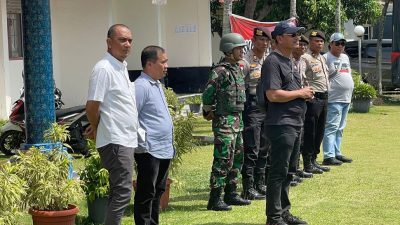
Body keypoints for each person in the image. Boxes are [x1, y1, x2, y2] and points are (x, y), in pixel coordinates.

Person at [86, 24, 137, 225]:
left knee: (119, 190)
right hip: (115, 138)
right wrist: (98, 127)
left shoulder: (120, 67)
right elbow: (92, 106)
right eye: (122, 40)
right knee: (123, 191)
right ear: (109, 42)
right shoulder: (104, 68)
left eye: (130, 40)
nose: (127, 44)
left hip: (125, 137)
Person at [262, 21, 312, 225]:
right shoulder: (272, 62)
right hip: (281, 123)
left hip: (294, 122)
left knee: (289, 171)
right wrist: (300, 93)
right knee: (278, 172)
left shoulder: (289, 60)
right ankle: (273, 218)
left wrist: (303, 94)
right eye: (292, 35)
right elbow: (273, 95)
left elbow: (286, 92)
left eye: (298, 35)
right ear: (279, 38)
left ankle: (284, 213)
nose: (297, 38)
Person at [203, 32, 251, 211]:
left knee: (237, 158)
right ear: (229, 50)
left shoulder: (237, 69)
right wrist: (208, 110)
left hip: (237, 121)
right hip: (224, 122)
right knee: (223, 159)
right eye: (239, 48)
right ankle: (214, 199)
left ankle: (231, 194)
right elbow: (208, 93)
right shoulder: (220, 71)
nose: (242, 51)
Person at [134, 45, 174, 225]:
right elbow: (131, 116)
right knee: (146, 193)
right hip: (149, 149)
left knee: (158, 191)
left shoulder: (157, 84)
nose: (166, 65)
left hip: (164, 148)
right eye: (163, 62)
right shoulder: (140, 86)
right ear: (149, 64)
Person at [241, 27, 271, 200]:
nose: (264, 43)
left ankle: (260, 183)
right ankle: (248, 187)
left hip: (267, 106)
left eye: (267, 40)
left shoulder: (269, 59)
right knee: (252, 147)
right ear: (253, 40)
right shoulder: (245, 61)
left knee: (264, 147)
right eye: (261, 40)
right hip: (251, 105)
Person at [300, 30, 331, 174]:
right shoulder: (305, 58)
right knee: (310, 131)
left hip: (324, 98)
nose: (319, 43)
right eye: (316, 41)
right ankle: (307, 162)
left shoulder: (322, 58)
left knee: (320, 131)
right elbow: (300, 78)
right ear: (310, 42)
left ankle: (314, 160)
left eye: (321, 41)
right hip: (313, 99)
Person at [322, 33, 354, 165]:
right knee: (331, 127)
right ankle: (328, 156)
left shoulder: (345, 57)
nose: (340, 46)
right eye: (337, 43)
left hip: (346, 98)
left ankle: (337, 153)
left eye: (342, 43)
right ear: (330, 44)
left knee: (340, 127)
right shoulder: (325, 57)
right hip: (334, 98)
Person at [291, 35, 313, 181]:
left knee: (300, 137)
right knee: (291, 139)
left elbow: (304, 79)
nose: (302, 47)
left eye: (305, 45)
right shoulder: (288, 61)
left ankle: (295, 168)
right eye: (300, 44)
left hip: (301, 102)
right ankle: (289, 171)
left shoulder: (303, 62)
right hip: (291, 102)